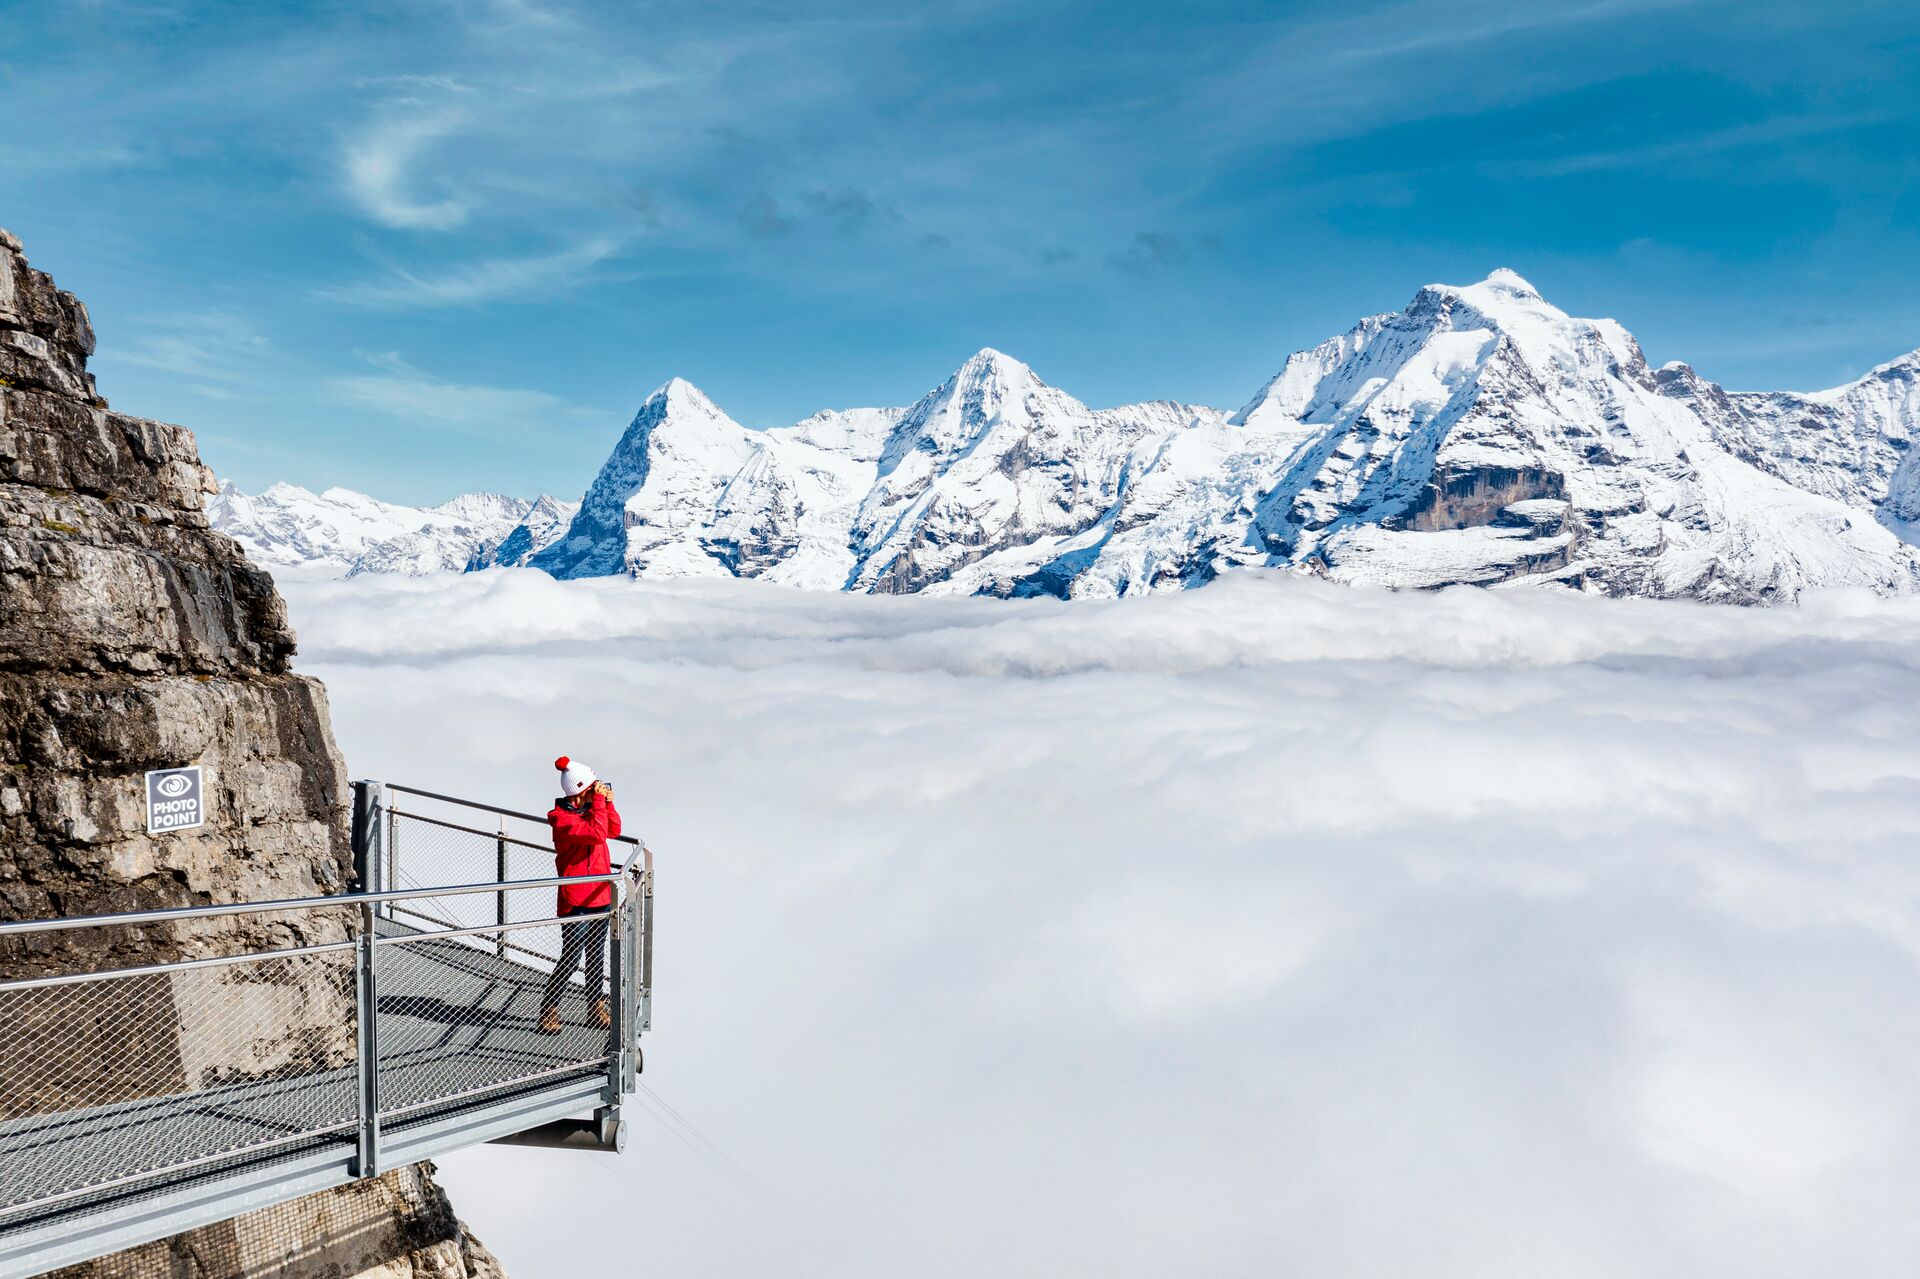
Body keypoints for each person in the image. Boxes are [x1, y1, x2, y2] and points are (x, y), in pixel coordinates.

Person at [539, 755, 622, 1035]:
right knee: (572, 956)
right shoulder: (562, 820)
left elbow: (613, 829)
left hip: (600, 894)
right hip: (576, 899)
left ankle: (595, 1006)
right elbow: (597, 834)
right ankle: (549, 1007)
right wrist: (599, 803)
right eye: (592, 788)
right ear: (580, 792)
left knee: (597, 955)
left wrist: (607, 802)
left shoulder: (590, 811)